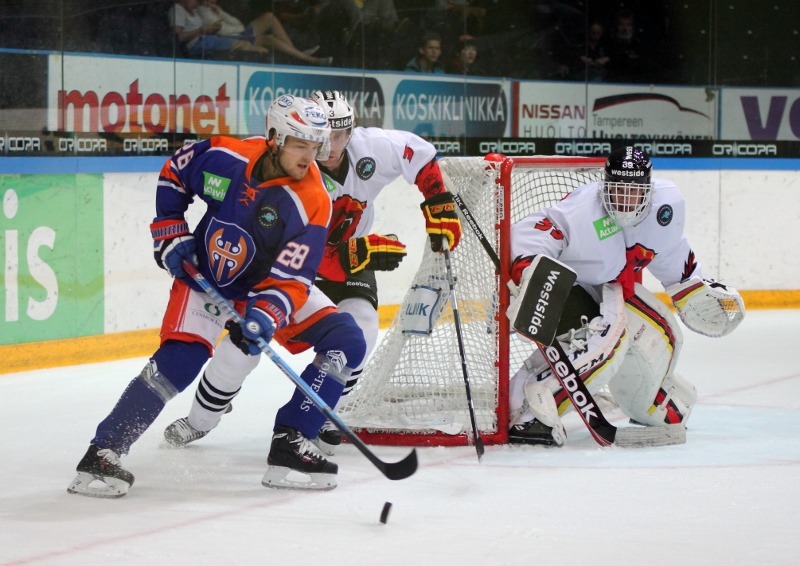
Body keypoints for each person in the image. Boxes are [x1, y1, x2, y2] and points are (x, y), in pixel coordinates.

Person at [67, 94, 366, 497]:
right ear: (275, 137)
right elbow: (175, 172)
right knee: (181, 359)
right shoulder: (226, 156)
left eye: (315, 147)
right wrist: (170, 229)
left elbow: (293, 278)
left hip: (263, 287)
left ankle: (291, 441)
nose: (309, 157)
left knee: (346, 340)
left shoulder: (313, 200)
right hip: (207, 275)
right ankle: (103, 452)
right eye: (300, 145)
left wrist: (266, 316)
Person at [162, 90, 463, 456]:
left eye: (341, 135)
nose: (332, 147)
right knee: (242, 350)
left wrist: (438, 201)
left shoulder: (371, 148)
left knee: (362, 329)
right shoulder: (294, 168)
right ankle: (201, 419)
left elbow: (419, 153)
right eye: (326, 136)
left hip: (349, 257)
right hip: (286, 264)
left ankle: (320, 415)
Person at [507, 146, 745, 446]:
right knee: (607, 346)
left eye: (633, 190)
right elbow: (534, 234)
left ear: (649, 189)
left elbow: (670, 254)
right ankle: (527, 413)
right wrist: (528, 270)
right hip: (555, 290)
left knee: (661, 337)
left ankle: (650, 402)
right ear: (604, 185)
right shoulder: (583, 211)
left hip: (603, 288)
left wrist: (693, 288)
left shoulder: (664, 209)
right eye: (617, 189)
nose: (624, 199)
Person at [196, 0, 333, 65]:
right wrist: (239, 28)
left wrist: (220, 12)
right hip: (235, 37)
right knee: (268, 35)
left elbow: (235, 23)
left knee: (269, 20)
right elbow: (225, 31)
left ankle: (298, 55)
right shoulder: (203, 12)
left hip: (240, 33)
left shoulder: (214, 9)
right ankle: (307, 58)